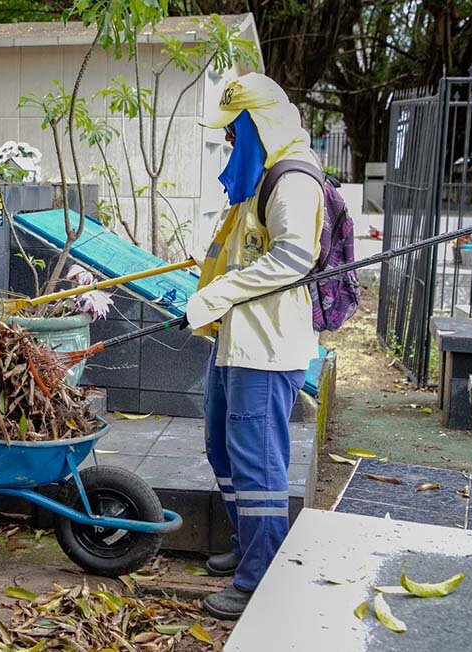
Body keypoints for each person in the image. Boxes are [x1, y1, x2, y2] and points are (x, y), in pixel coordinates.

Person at [185, 73, 324, 619]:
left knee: (258, 464)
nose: (229, 146)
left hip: (266, 350)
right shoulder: (263, 173)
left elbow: (294, 257)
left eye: (234, 134)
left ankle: (258, 577)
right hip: (236, 341)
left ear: (258, 125)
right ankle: (249, 545)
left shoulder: (292, 179)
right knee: (223, 449)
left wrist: (219, 292)